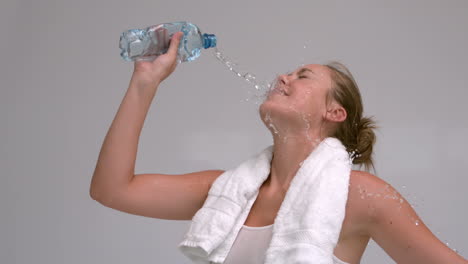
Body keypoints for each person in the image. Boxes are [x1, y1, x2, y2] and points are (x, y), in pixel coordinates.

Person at [89, 32, 467, 264]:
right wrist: (145, 82)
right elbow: (111, 190)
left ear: (334, 111)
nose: (283, 77)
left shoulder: (362, 196)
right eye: (289, 72)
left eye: (303, 76)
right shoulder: (226, 193)